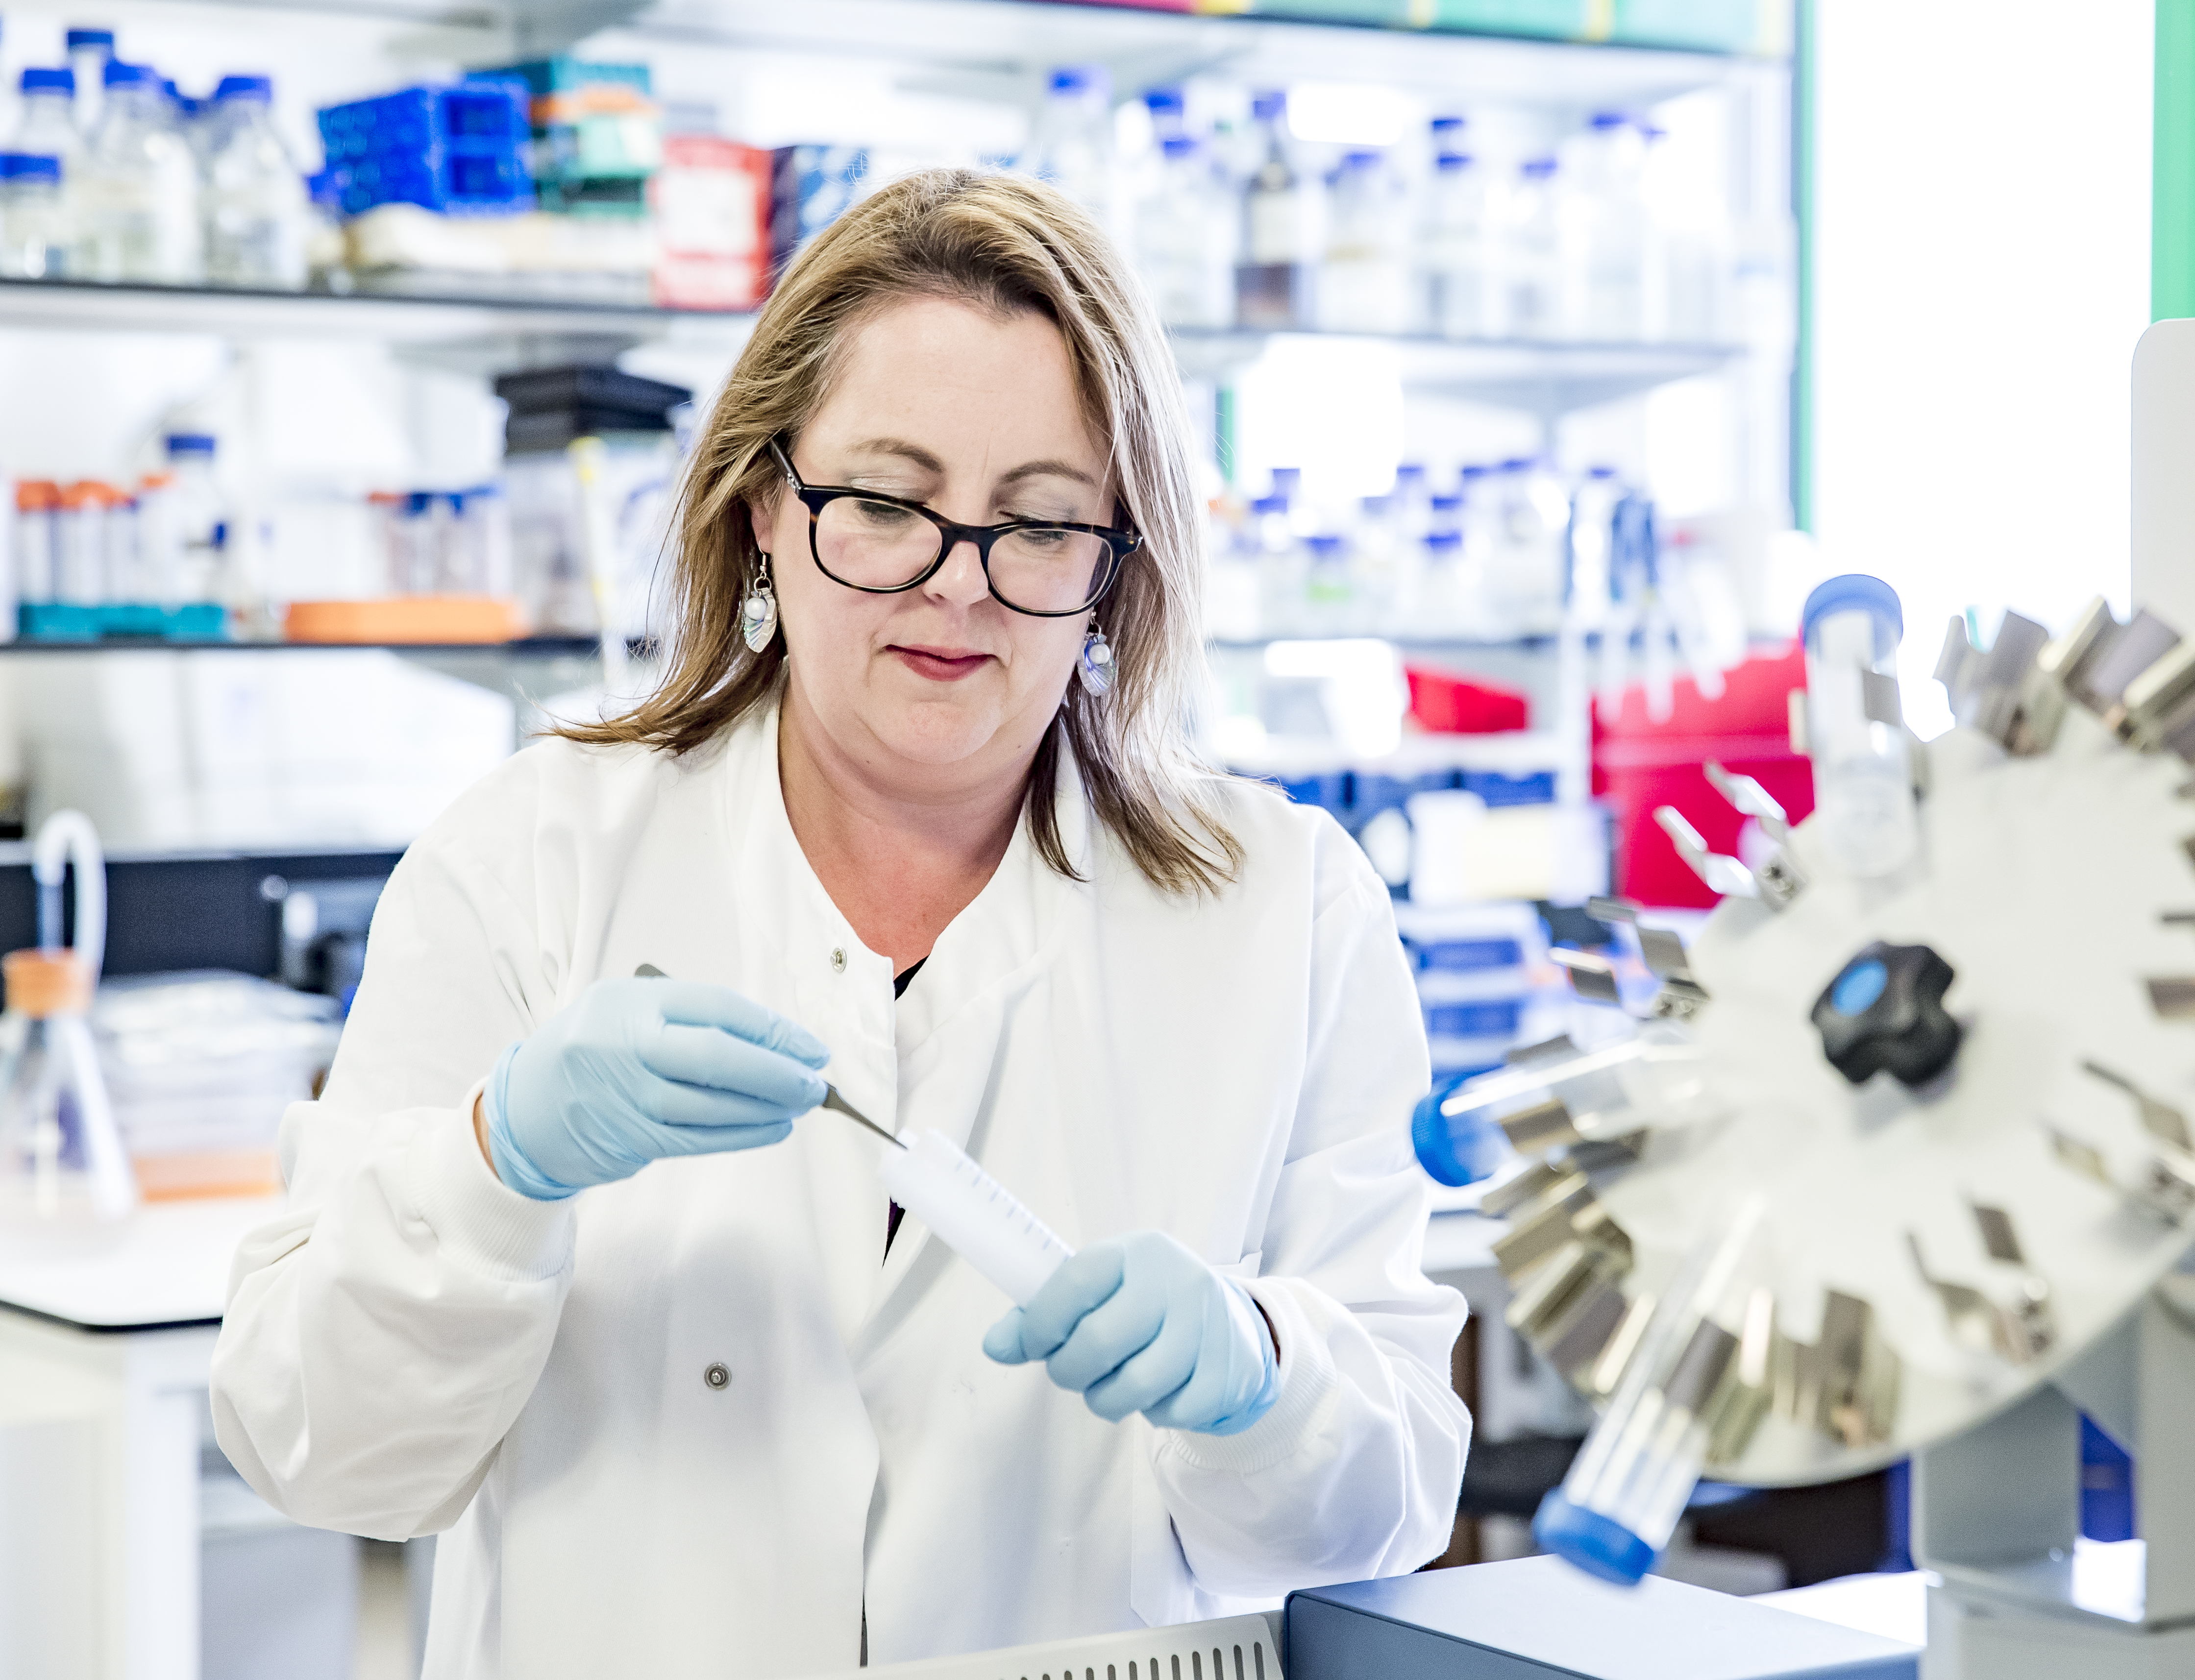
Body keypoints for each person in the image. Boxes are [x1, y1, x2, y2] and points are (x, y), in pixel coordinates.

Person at [208, 169, 1469, 1677]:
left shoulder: (1287, 908)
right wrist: (496, 1170)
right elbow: (317, 1446)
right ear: (763, 509)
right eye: (884, 502)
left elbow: (1391, 1509)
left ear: (1116, 570)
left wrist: (1264, 1380)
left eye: (1041, 522)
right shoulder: (532, 856)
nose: (958, 587)